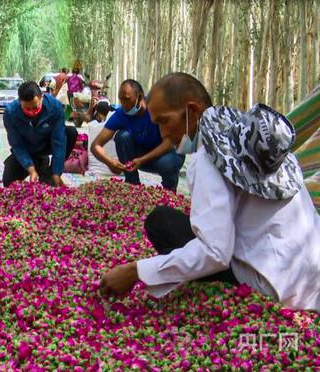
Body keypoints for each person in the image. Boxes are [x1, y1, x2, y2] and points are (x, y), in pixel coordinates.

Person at [100, 72, 320, 311]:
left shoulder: (208, 159)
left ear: (192, 111)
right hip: (311, 282)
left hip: (271, 288)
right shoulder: (245, 135)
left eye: (164, 121)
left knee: (160, 221)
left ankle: (222, 293)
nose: (163, 134)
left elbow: (215, 253)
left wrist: (136, 271)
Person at [90, 79, 184, 191]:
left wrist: (142, 160)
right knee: (122, 136)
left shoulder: (157, 108)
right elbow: (95, 145)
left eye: (127, 99)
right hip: (140, 158)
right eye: (121, 99)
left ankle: (169, 191)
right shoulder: (121, 114)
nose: (123, 104)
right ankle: (132, 185)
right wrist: (109, 162)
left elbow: (170, 143)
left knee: (168, 164)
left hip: (167, 155)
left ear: (140, 97)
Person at [2, 81, 78, 187]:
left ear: (41, 97)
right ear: (20, 102)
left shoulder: (55, 107)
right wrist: (31, 169)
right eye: (27, 109)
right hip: (27, 149)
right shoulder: (10, 113)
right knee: (8, 182)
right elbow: (17, 145)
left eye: (35, 107)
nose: (32, 112)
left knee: (70, 132)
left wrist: (56, 173)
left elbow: (58, 142)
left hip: (46, 145)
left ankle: (49, 173)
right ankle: (39, 164)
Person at [87, 101, 116, 177]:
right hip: (116, 169)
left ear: (98, 113)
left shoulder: (92, 125)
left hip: (95, 170)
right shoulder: (116, 123)